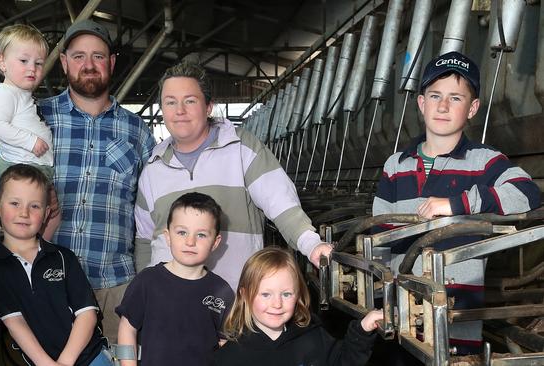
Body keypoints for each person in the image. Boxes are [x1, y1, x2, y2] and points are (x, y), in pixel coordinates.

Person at [0, 19, 156, 343]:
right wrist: (24, 189)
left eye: (98, 56)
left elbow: (154, 203)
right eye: (78, 56)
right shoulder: (35, 116)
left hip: (116, 284)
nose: (88, 65)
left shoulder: (137, 131)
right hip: (50, 282)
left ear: (112, 63)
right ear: (63, 62)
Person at [373, 51, 541, 355]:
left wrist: (458, 203)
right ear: (421, 103)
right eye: (435, 96)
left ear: (473, 108)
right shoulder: (395, 166)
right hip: (401, 318)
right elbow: (380, 240)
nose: (443, 106)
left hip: (457, 322)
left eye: (456, 98)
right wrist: (381, 302)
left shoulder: (484, 161)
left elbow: (528, 192)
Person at [134, 61, 333, 290]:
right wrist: (145, 291)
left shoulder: (241, 147)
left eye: (190, 101)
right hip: (171, 306)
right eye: (170, 102)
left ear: (208, 106)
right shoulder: (153, 168)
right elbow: (145, 241)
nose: (179, 111)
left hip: (236, 302)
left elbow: (280, 202)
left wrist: (312, 245)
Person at [0, 164, 111, 366]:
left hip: (89, 357)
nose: (24, 213)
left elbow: (87, 314)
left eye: (34, 206)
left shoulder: (64, 258)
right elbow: (15, 321)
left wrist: (64, 362)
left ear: (46, 213)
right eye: (14, 203)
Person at [116, 192, 234, 366]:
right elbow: (127, 329)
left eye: (201, 235)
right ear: (168, 236)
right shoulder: (147, 281)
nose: (190, 241)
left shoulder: (222, 291)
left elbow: (226, 343)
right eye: (181, 232)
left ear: (215, 242)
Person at [212, 247, 382, 366]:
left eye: (286, 294)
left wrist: (362, 330)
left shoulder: (312, 336)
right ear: (245, 295)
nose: (277, 304)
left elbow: (343, 360)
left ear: (298, 295)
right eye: (265, 294)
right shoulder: (230, 356)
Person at [0, 24, 61, 240]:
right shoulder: (5, 94)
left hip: (33, 167)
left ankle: (36, 253)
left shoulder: (20, 94)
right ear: (2, 62)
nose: (33, 68)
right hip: (21, 167)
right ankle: (24, 255)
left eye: (38, 63)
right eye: (24, 61)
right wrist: (31, 141)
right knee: (26, 218)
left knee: (50, 216)